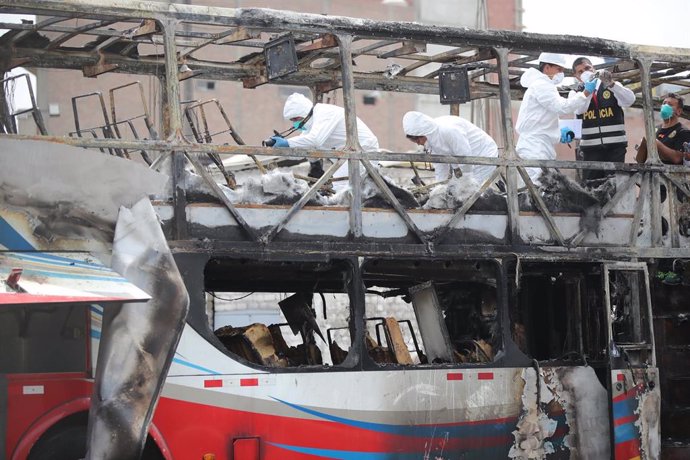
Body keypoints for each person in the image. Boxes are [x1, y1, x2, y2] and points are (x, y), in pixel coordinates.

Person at [515, 53, 593, 184]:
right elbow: (561, 107)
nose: (561, 73)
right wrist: (585, 94)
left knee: (543, 190)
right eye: (559, 69)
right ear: (547, 68)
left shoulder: (543, 85)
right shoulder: (542, 85)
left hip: (539, 145)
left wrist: (558, 133)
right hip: (534, 148)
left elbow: (541, 117)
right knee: (538, 191)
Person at [270, 92, 379, 185]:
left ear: (305, 113)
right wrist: (280, 148)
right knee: (341, 186)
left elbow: (315, 140)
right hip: (349, 155)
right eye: (292, 120)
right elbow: (301, 149)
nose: (295, 123)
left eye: (296, 119)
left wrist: (286, 142)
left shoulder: (324, 113)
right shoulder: (311, 125)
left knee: (340, 185)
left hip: (363, 151)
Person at [572, 57, 636, 181]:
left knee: (617, 186)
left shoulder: (611, 85)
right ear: (576, 76)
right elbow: (580, 110)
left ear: (593, 68)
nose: (584, 72)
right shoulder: (575, 93)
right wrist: (587, 91)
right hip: (591, 150)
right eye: (580, 72)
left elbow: (630, 100)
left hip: (615, 148)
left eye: (587, 68)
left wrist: (612, 84)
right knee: (592, 189)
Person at [401, 111, 498, 184]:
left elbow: (465, 157)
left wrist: (465, 180)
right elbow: (440, 165)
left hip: (483, 154)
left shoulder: (449, 130)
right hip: (466, 160)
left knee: (471, 192)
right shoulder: (431, 140)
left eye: (417, 141)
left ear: (422, 134)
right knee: (458, 190)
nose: (418, 144)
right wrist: (440, 186)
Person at [636, 93, 690, 165]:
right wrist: (643, 146)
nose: (665, 106)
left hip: (670, 175)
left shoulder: (683, 131)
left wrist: (657, 144)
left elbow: (677, 158)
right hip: (651, 173)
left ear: (679, 111)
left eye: (670, 105)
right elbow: (640, 160)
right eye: (664, 103)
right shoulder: (654, 129)